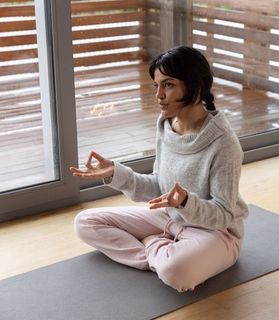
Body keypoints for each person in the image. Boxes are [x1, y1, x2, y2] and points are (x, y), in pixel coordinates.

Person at [70, 46, 249, 292]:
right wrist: (115, 173)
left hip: (216, 233)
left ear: (195, 85)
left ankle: (155, 247)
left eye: (168, 85)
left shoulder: (224, 144)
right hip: (169, 217)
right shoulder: (167, 124)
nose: (159, 96)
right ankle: (160, 254)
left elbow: (224, 215)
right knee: (85, 222)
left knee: (177, 273)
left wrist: (186, 203)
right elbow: (159, 187)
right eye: (157, 86)